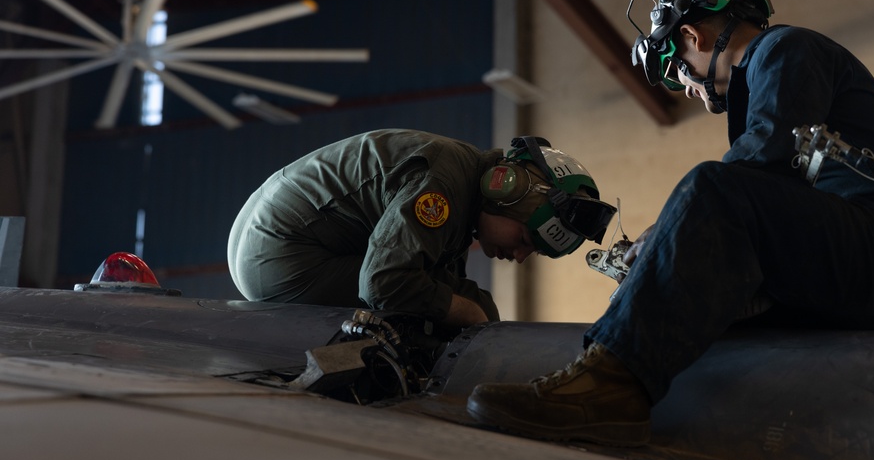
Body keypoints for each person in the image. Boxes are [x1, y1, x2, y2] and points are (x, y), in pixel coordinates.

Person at [467, 0, 874, 446]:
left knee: (711, 187)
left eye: (678, 71)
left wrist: (666, 234)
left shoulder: (783, 48)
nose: (686, 87)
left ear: (694, 37)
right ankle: (618, 373)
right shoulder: (771, 70)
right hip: (859, 261)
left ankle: (608, 387)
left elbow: (767, 161)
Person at [228, 129, 615, 328]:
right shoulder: (445, 186)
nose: (518, 256)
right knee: (465, 310)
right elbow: (382, 282)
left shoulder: (463, 181)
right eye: (526, 240)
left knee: (463, 303)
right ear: (503, 190)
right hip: (280, 255)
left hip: (268, 242)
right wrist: (467, 314)